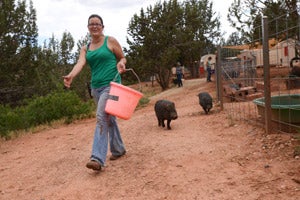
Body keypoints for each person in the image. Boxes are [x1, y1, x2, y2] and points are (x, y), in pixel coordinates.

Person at [63, 14, 127, 171]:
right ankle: (118, 150)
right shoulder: (85, 48)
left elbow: (122, 58)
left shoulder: (110, 41)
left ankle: (97, 158)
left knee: (101, 117)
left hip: (112, 85)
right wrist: (71, 75)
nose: (94, 26)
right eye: (91, 24)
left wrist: (121, 64)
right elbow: (80, 63)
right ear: (88, 27)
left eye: (97, 24)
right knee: (109, 118)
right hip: (96, 88)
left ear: (102, 26)